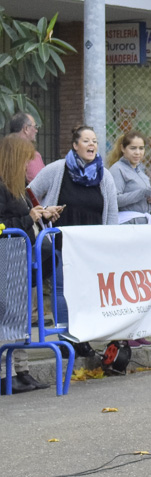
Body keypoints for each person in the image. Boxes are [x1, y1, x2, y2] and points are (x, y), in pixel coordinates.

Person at [27, 125, 120, 327]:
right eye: (86, 141)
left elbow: (112, 213)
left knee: (89, 290)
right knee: (62, 290)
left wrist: (111, 241)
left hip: (92, 246)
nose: (92, 144)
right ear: (75, 145)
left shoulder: (104, 176)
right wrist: (43, 211)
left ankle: (83, 336)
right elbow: (30, 193)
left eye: (94, 141)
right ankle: (64, 340)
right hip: (61, 244)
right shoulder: (57, 169)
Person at [0, 134, 51, 393]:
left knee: (20, 320)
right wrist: (27, 219)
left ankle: (23, 371)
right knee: (6, 319)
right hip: (6, 260)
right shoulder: (2, 187)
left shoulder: (18, 189)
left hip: (20, 260)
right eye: (24, 161)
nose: (26, 168)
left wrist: (40, 215)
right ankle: (4, 375)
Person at [106, 131, 151, 346]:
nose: (138, 152)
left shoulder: (140, 170)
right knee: (126, 281)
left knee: (139, 281)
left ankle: (137, 329)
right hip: (126, 227)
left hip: (141, 226)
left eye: (141, 148)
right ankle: (123, 332)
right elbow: (115, 200)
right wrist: (143, 194)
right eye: (133, 148)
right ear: (123, 148)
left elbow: (144, 202)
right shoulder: (117, 170)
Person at [7, 113, 45, 182]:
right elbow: (40, 183)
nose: (36, 130)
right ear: (26, 129)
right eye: (35, 126)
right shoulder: (30, 155)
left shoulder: (4, 151)